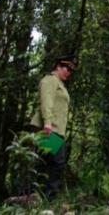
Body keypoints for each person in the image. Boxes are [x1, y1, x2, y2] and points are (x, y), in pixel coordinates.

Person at [24, 55, 77, 198]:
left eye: (71, 71)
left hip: (55, 129)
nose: (69, 73)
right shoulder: (50, 80)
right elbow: (46, 101)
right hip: (47, 128)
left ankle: (33, 195)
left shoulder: (59, 83)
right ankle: (40, 195)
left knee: (44, 162)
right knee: (54, 162)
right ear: (58, 67)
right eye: (67, 69)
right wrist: (47, 122)